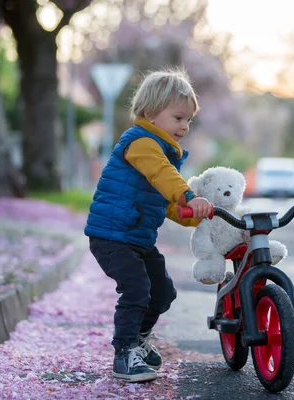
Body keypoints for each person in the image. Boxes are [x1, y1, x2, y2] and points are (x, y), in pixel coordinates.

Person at [84, 68, 212, 383]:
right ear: (151, 113)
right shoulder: (141, 142)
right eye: (178, 117)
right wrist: (187, 194)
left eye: (188, 120)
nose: (184, 126)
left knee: (163, 292)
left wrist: (192, 214)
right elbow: (161, 176)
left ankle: (139, 338)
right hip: (112, 236)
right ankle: (125, 353)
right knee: (137, 288)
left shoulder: (162, 148)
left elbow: (163, 200)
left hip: (137, 237)